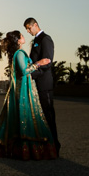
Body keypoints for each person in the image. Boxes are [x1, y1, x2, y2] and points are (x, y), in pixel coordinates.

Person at [0, 30, 58, 160]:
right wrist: (38, 64)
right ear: (18, 40)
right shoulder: (19, 53)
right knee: (27, 116)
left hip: (23, 87)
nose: (23, 36)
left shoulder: (18, 53)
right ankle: (27, 150)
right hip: (23, 90)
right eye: (21, 35)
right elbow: (24, 70)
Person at [25, 17, 59, 155]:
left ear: (36, 25)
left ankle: (55, 146)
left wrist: (31, 75)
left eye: (29, 28)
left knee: (48, 115)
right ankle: (46, 146)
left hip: (44, 84)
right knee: (40, 116)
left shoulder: (46, 39)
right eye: (26, 29)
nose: (28, 31)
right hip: (36, 84)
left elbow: (48, 62)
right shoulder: (36, 41)